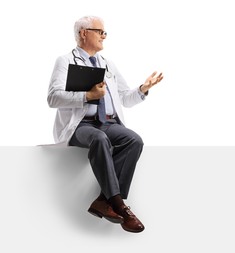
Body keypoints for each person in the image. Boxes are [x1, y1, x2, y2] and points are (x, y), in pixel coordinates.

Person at [47, 16, 163, 233]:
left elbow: (125, 98)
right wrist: (87, 95)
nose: (104, 36)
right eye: (100, 32)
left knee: (134, 140)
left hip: (107, 122)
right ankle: (120, 205)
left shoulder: (107, 63)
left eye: (104, 33)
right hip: (80, 125)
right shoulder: (65, 61)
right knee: (99, 139)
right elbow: (53, 98)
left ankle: (104, 200)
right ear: (83, 33)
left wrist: (143, 89)